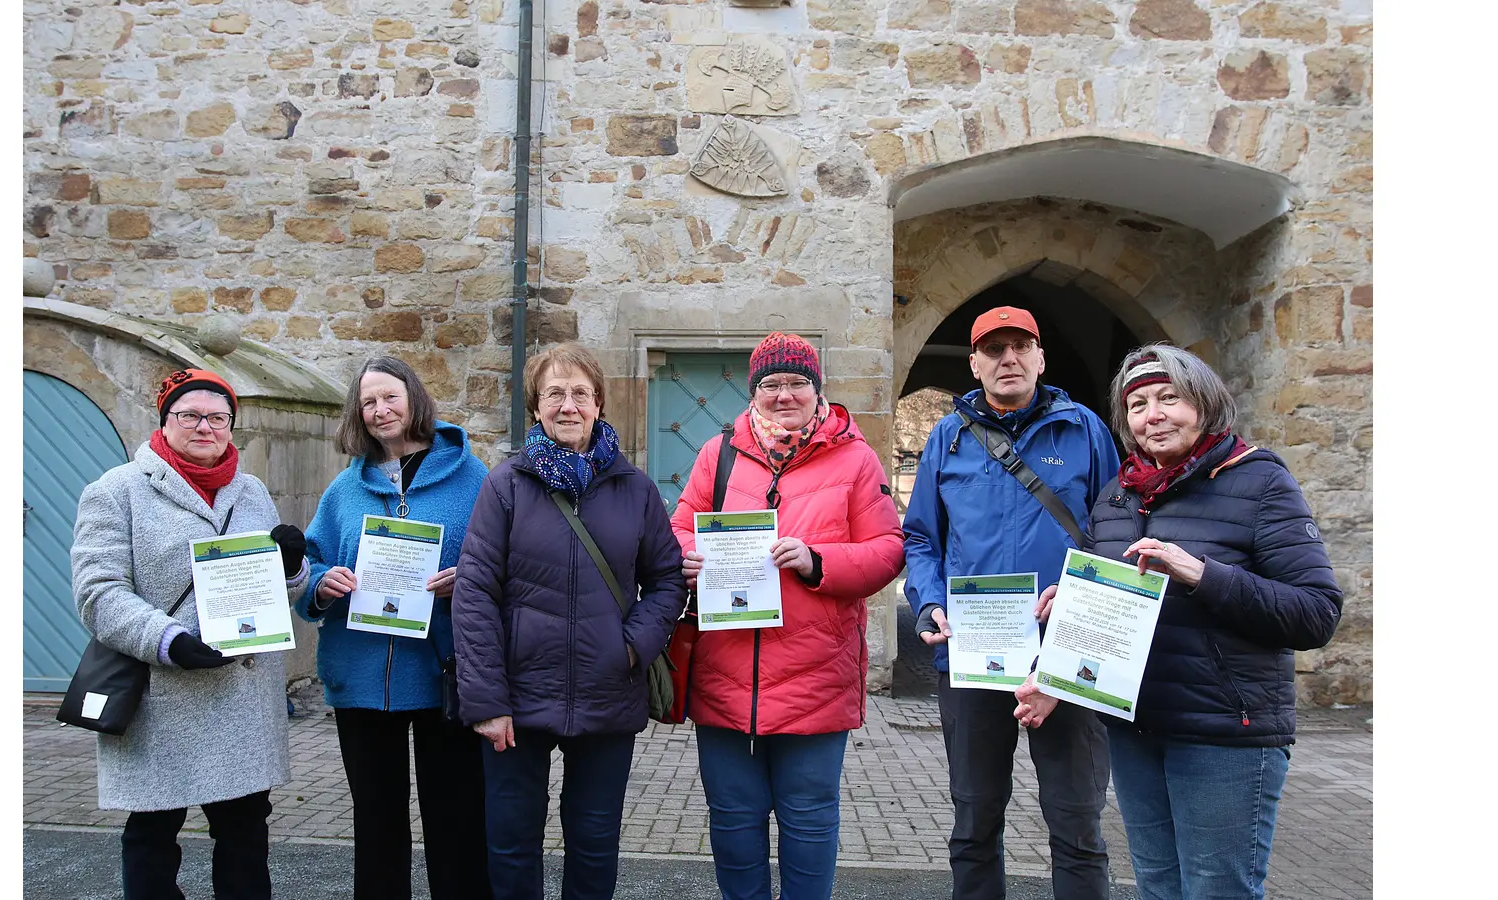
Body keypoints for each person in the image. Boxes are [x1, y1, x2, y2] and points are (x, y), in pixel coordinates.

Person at [1013, 345, 1343, 900]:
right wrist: (1054, 672)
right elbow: (1102, 606)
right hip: (1137, 729)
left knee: (1217, 889)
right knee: (1158, 887)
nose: (1154, 414)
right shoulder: (1118, 496)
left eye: (1170, 398)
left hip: (1224, 734)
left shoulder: (1259, 483)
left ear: (1205, 405)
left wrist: (1200, 574)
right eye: (1138, 404)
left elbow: (1315, 613)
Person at [672, 332, 906, 900]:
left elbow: (887, 550)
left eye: (797, 383)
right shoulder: (719, 452)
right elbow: (679, 525)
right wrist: (688, 558)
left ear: (816, 389)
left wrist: (816, 559)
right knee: (732, 821)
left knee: (809, 821)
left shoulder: (855, 458)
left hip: (815, 677)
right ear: (754, 391)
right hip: (726, 675)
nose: (784, 395)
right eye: (771, 384)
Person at [452, 342, 687, 900]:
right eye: (553, 393)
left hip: (608, 687)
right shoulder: (506, 484)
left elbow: (667, 581)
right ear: (535, 407)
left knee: (595, 841)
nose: (567, 405)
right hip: (519, 691)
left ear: (599, 404)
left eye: (580, 393)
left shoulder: (636, 489)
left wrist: (629, 648)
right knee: (511, 842)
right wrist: (486, 701)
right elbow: (476, 593)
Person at [902, 307, 1120, 900]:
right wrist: (928, 602)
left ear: (1040, 358)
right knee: (974, 821)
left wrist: (1079, 601)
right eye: (993, 349)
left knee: (1076, 823)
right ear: (973, 364)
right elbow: (921, 537)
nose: (1008, 359)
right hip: (975, 653)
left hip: (1068, 650)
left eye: (1020, 346)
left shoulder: (1085, 431)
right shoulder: (947, 438)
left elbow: (1115, 536)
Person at [70, 368, 311, 900]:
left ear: (230, 426)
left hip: (240, 696)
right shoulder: (116, 491)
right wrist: (169, 641)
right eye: (190, 415)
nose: (205, 427)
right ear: (165, 420)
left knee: (246, 834)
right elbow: (98, 593)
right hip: (163, 698)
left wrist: (291, 568)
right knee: (154, 836)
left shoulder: (249, 491)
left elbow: (270, 590)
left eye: (218, 418)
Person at [296, 356, 493, 900]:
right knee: (376, 824)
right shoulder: (344, 489)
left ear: (415, 400)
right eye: (368, 403)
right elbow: (307, 567)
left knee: (457, 823)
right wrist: (320, 584)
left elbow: (504, 563)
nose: (381, 410)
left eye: (390, 398)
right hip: (359, 679)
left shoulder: (472, 478)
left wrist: (469, 579)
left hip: (445, 677)